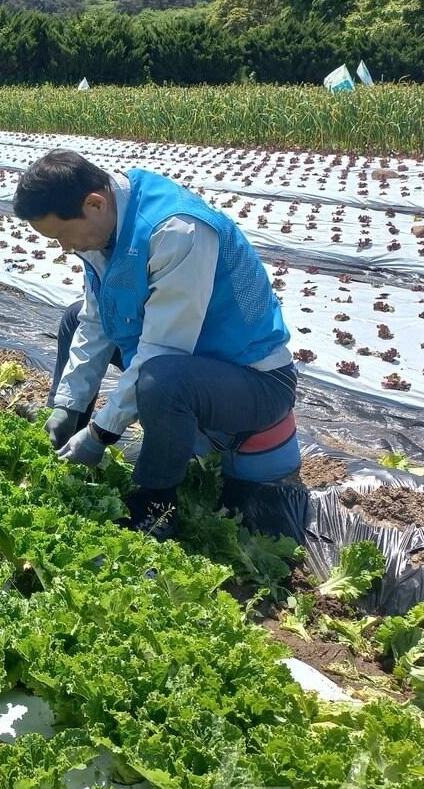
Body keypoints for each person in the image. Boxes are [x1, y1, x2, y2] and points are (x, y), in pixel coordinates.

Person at [15, 150, 298, 533]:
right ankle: (65, 435)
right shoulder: (105, 224)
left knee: (161, 380)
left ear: (94, 203)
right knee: (73, 318)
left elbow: (162, 351)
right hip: (189, 364)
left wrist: (102, 433)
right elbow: (96, 322)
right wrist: (69, 404)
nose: (65, 247)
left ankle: (157, 503)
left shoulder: (178, 231)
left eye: (62, 235)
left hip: (254, 381)